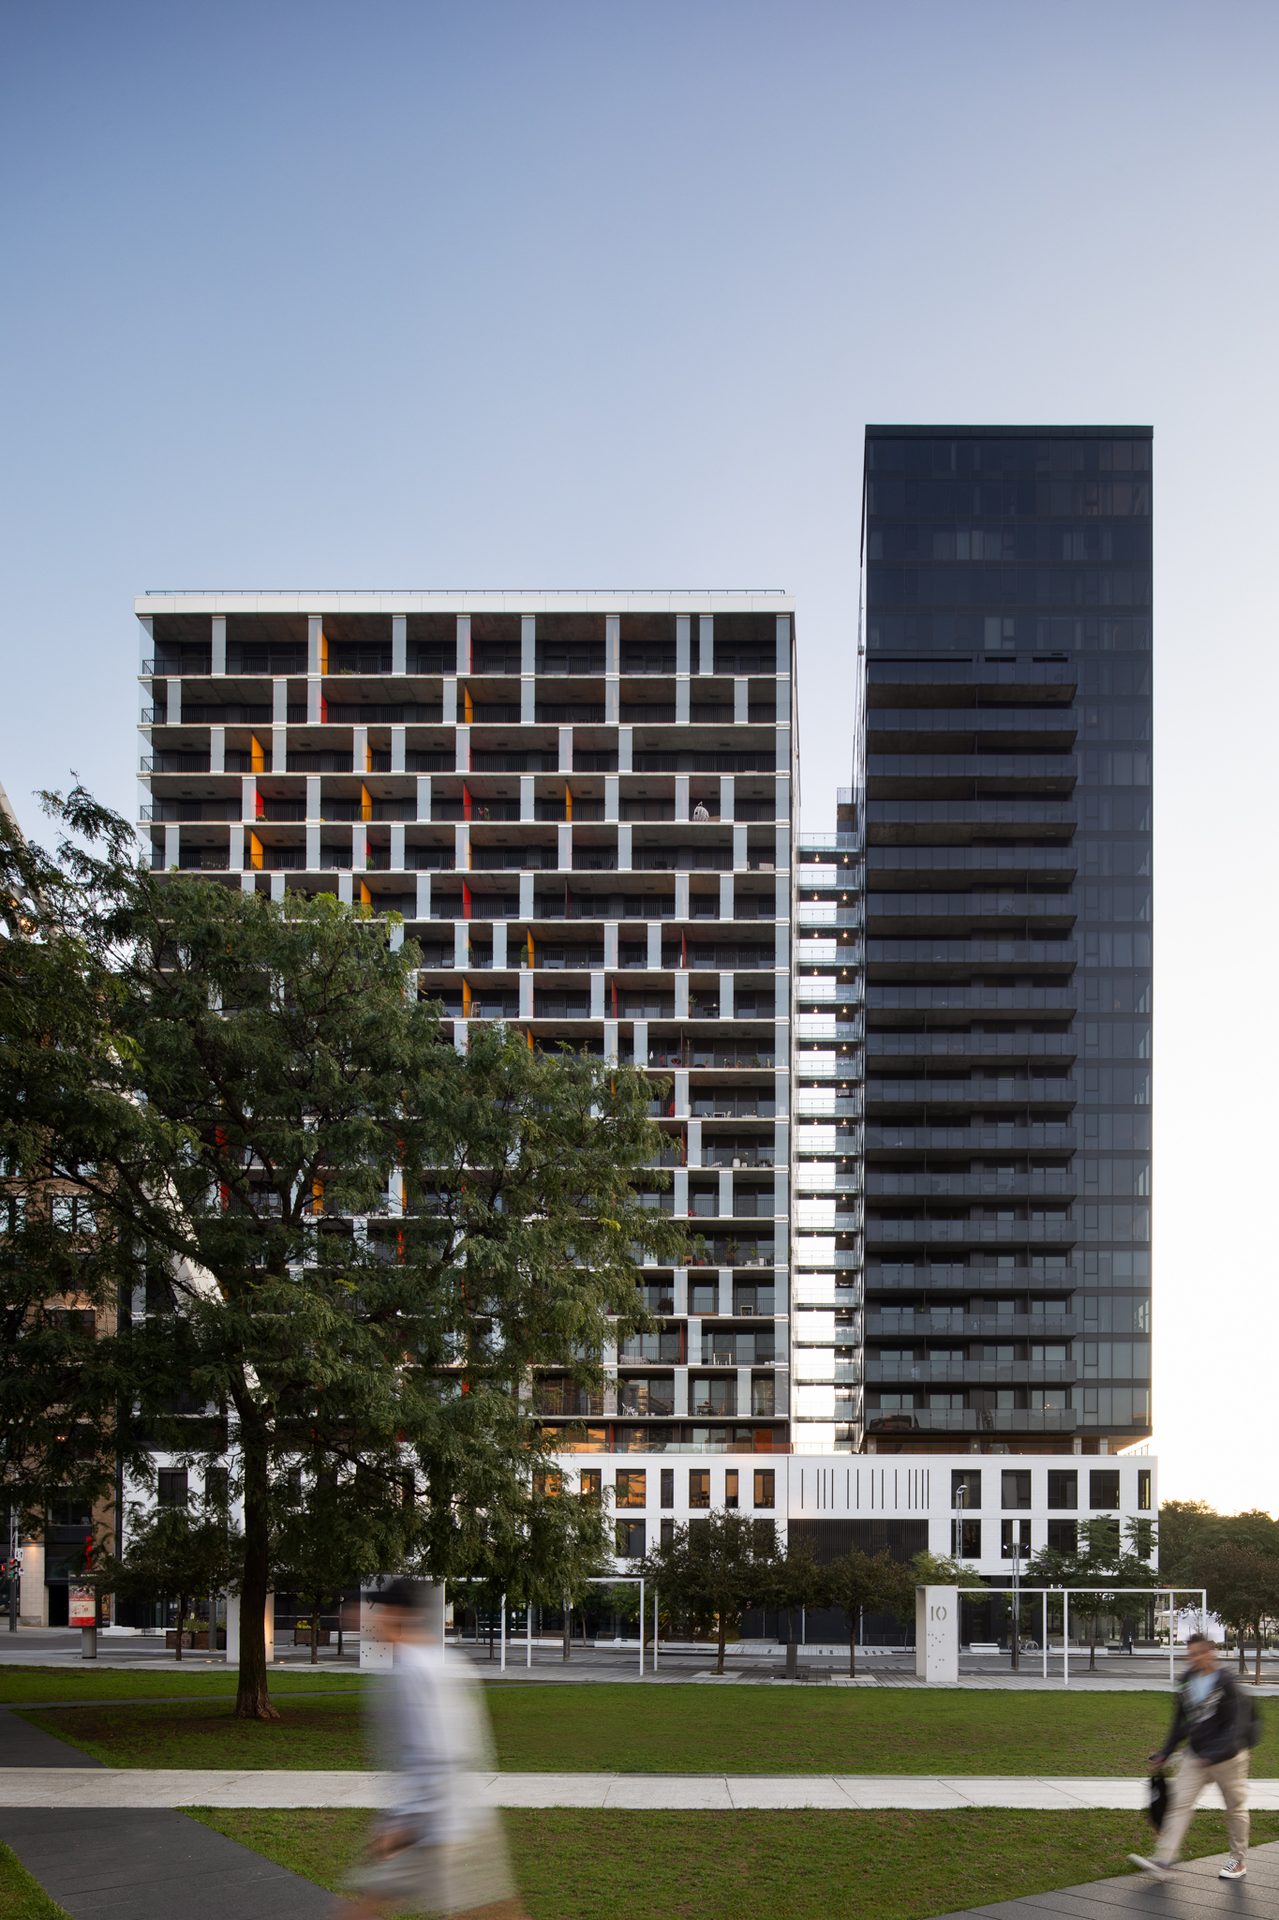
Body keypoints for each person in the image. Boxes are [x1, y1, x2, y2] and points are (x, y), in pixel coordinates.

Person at [336, 1578, 527, 1919]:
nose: (361, 1620)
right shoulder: (441, 1663)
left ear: (395, 1614)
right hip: (451, 1813)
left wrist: (403, 1824)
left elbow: (438, 1751)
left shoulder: (413, 1671)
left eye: (369, 1612)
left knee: (369, 1905)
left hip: (437, 1820)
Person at [1129, 1631, 1252, 1883]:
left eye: (1199, 1653)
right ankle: (1164, 1860)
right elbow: (1179, 1721)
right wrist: (1165, 1752)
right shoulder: (1185, 1681)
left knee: (1235, 1809)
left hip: (1229, 1758)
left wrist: (1214, 1753)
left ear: (1210, 1652)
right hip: (1196, 1757)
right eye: (1191, 1654)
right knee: (1179, 1805)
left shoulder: (1226, 1682)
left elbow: (1236, 1726)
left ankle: (1238, 1860)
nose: (1194, 1658)